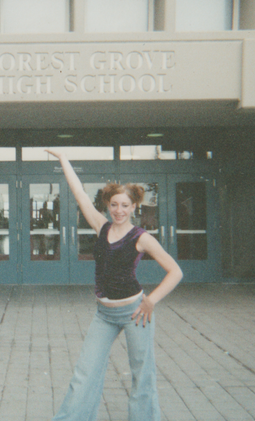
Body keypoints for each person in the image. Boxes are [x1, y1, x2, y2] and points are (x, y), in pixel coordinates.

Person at [46, 149, 183, 421]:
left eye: (125, 205)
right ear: (108, 206)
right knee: (84, 373)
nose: (119, 210)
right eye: (114, 205)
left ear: (134, 207)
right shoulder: (102, 226)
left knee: (142, 375)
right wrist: (63, 159)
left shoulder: (141, 237)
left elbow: (175, 272)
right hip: (104, 314)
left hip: (135, 313)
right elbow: (80, 194)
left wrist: (151, 300)